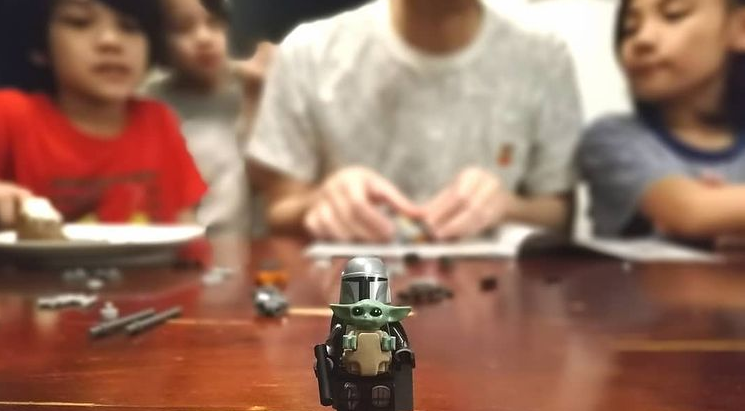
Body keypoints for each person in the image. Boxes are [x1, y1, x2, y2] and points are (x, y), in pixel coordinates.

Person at [247, 0, 583, 242]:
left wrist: (508, 207)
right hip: (344, 296)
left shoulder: (543, 56)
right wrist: (322, 201)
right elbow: (278, 209)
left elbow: (560, 211)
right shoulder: (309, 52)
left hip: (499, 299)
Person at [0, 0, 206, 228]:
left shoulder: (158, 120)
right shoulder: (11, 114)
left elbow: (185, 226)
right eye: (80, 23)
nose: (111, 41)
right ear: (39, 45)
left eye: (130, 27)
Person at [579, 0, 745, 239]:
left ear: (740, 28)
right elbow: (689, 211)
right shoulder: (613, 138)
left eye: (673, 15)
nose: (642, 39)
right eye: (630, 29)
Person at [145, 0, 273, 233]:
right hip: (178, 240)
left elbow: (265, 179)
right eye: (183, 28)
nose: (203, 38)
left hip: (245, 242)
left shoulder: (251, 87)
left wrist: (255, 96)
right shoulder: (150, 101)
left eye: (214, 24)